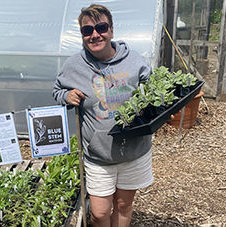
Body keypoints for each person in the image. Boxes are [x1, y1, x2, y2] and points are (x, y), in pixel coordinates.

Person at [52, 4, 153, 227]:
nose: (95, 35)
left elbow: (154, 91)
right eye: (87, 31)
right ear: (82, 35)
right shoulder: (74, 66)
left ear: (111, 30)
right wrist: (66, 96)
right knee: (99, 213)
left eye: (101, 27)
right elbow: (56, 90)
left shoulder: (135, 61)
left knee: (124, 206)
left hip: (133, 150)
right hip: (99, 154)